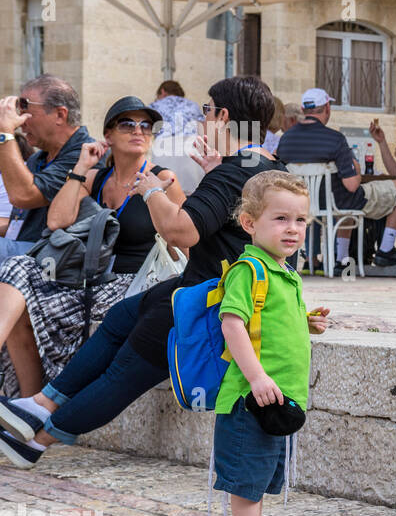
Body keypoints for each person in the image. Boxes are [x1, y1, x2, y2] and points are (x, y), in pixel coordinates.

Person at [0, 76, 280, 469]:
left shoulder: (232, 173)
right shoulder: (259, 166)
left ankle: (38, 440)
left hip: (214, 297)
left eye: (206, 112)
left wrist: (151, 190)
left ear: (223, 117)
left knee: (123, 373)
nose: (202, 121)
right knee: (120, 318)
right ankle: (41, 402)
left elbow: (181, 231)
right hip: (198, 283)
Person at [0, 96, 184, 396]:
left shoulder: (163, 178)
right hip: (89, 279)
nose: (138, 130)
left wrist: (152, 195)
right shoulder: (97, 177)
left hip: (134, 285)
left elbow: (185, 239)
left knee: (26, 298)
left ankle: (34, 402)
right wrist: (82, 166)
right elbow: (57, 220)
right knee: (17, 268)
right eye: (127, 124)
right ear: (108, 136)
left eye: (146, 125)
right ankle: (28, 402)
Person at [218, 170, 329, 516]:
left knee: (262, 474)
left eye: (300, 220)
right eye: (280, 219)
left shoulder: (283, 271)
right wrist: (258, 377)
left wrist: (304, 322)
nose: (293, 229)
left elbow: (269, 322)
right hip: (252, 398)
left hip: (275, 400)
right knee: (247, 479)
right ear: (249, 223)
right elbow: (232, 324)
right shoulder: (250, 270)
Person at [275, 88, 396, 270]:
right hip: (338, 204)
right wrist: (357, 167)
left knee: (341, 195)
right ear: (327, 108)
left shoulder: (285, 140)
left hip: (303, 204)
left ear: (303, 109)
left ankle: (343, 258)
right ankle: (386, 250)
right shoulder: (334, 139)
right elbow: (352, 184)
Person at [0, 75, 92, 260]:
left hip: (54, 260)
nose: (21, 120)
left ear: (60, 114)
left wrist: (5, 133)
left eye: (25, 108)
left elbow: (23, 195)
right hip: (22, 249)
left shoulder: (85, 154)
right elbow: (20, 223)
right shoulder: (39, 158)